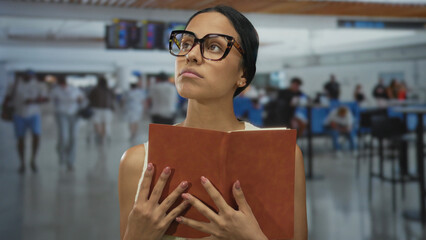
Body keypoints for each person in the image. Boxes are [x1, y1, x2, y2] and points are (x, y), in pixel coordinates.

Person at [118, 5, 307, 240]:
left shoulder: (281, 156)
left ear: (243, 75)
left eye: (214, 46)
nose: (191, 55)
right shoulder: (137, 162)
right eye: (186, 43)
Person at [10, 70, 48, 173]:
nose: (28, 77)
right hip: (19, 114)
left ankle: (33, 159)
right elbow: (8, 97)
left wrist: (34, 101)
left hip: (34, 113)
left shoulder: (39, 85)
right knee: (20, 138)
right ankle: (22, 162)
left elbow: (45, 99)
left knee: (36, 135)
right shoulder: (16, 85)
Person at [50, 75, 85, 171]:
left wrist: (79, 100)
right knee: (64, 137)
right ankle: (61, 155)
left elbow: (81, 99)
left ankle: (71, 161)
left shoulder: (74, 89)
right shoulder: (55, 91)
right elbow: (52, 102)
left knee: (73, 138)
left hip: (74, 115)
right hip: (61, 114)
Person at [88, 76, 115, 145]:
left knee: (97, 123)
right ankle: (103, 137)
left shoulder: (95, 90)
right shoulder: (109, 90)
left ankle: (100, 135)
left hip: (96, 108)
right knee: (105, 123)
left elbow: (90, 98)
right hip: (107, 109)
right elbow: (113, 99)